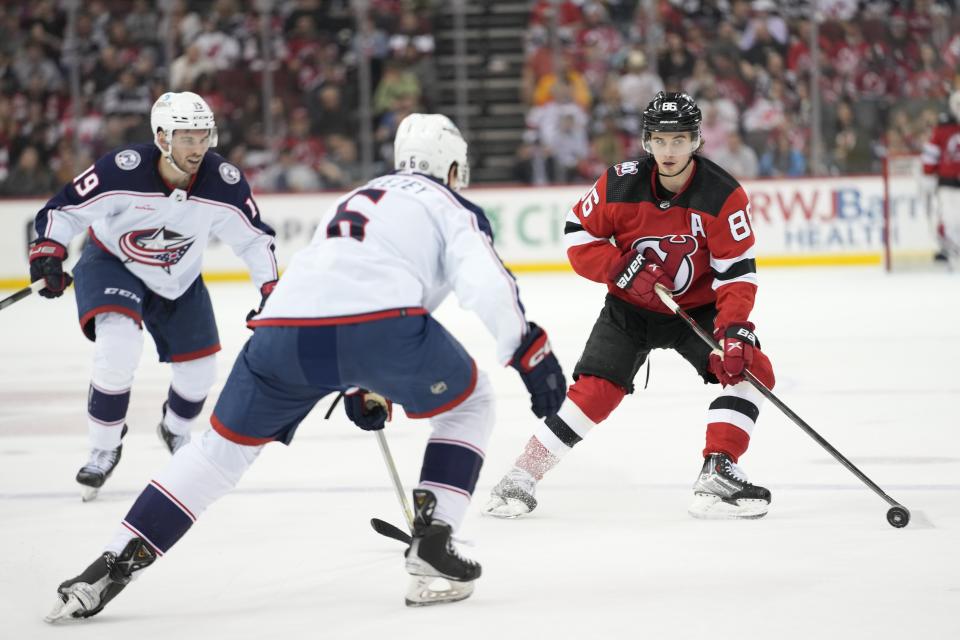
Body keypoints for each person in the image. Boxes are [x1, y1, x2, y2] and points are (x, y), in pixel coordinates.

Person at [43, 113, 566, 621]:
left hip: (282, 330)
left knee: (217, 456)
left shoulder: (355, 195)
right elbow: (483, 284)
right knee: (470, 405)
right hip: (381, 325)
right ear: (454, 168)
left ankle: (110, 564)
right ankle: (435, 540)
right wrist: (528, 349)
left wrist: (362, 382)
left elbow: (335, 283)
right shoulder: (452, 206)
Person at [484, 91, 777, 521]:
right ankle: (523, 474)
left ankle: (718, 468)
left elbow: (736, 274)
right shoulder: (620, 182)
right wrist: (619, 267)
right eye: (660, 139)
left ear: (697, 140)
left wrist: (734, 330)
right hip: (630, 308)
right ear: (646, 141)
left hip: (695, 309)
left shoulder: (722, 195)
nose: (669, 150)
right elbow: (577, 235)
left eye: (679, 140)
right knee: (595, 391)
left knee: (748, 367)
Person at [28, 91, 279, 501]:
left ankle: (175, 430)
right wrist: (48, 252)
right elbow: (66, 209)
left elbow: (254, 240)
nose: (198, 148)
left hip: (178, 279)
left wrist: (272, 290)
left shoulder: (223, 182)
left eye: (203, 137)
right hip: (113, 263)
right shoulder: (122, 169)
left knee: (200, 374)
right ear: (162, 137)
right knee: (118, 346)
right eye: (187, 138)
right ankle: (103, 446)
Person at [921, 91, 960, 266]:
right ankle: (949, 249)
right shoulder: (944, 127)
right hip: (948, 183)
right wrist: (928, 175)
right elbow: (931, 154)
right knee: (949, 217)